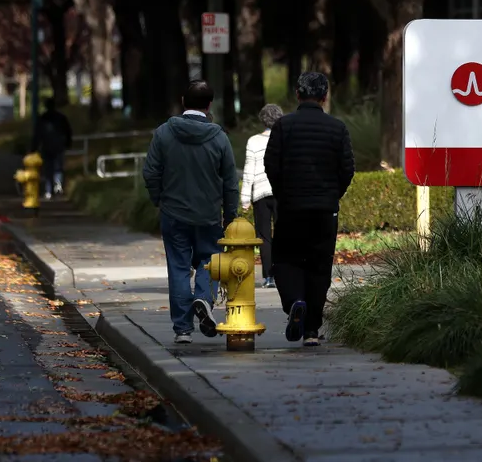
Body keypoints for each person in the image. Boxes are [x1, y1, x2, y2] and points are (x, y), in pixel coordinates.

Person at [143, 80, 240, 346]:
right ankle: (203, 298)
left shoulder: (163, 133)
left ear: (183, 102)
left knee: (178, 268)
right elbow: (230, 183)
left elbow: (150, 172)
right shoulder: (219, 138)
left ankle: (182, 329)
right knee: (210, 261)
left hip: (174, 214)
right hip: (208, 215)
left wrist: (159, 200)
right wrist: (230, 218)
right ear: (209, 105)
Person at [264, 72, 355, 347]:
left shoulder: (283, 126)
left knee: (286, 259)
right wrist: (331, 195)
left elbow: (271, 165)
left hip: (291, 207)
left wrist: (283, 194)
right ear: (325, 96)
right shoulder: (337, 128)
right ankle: (312, 330)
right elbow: (347, 169)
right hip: (325, 210)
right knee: (319, 266)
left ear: (297, 94)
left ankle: (295, 302)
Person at [241, 104, 283, 289]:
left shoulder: (253, 141)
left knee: (264, 236)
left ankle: (268, 277)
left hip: (260, 193)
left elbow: (248, 171)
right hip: (282, 193)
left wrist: (245, 198)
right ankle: (283, 274)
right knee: (284, 234)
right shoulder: (286, 139)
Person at [33, 98, 73, 200]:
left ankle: (48, 190)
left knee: (48, 168)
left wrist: (34, 147)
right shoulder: (61, 118)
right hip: (59, 145)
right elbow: (68, 131)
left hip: (46, 146)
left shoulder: (43, 118)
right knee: (58, 167)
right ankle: (58, 186)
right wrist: (68, 143)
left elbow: (37, 134)